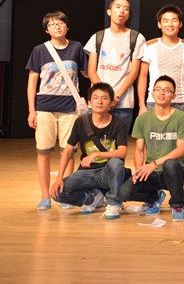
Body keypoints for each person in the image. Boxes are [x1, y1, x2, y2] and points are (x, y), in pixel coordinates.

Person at [26, 10, 89, 210]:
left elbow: (87, 73)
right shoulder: (39, 50)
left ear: (67, 27)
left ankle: (65, 195)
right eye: (52, 24)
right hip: (44, 107)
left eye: (61, 23)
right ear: (47, 30)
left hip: (70, 108)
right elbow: (32, 82)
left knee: (67, 152)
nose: (57, 26)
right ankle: (45, 196)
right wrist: (32, 110)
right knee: (43, 151)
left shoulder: (77, 47)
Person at [50, 82, 128, 220]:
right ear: (89, 102)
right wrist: (59, 178)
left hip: (106, 172)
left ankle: (114, 202)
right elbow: (67, 150)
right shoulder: (81, 122)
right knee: (57, 193)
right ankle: (91, 198)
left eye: (104, 98)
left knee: (116, 163)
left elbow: (122, 152)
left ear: (111, 103)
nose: (99, 101)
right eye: (95, 98)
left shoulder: (118, 123)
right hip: (86, 172)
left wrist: (96, 154)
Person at [120, 75, 184, 221]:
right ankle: (154, 196)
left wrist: (154, 163)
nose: (162, 93)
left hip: (174, 172)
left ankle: (177, 204)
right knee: (124, 192)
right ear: (152, 93)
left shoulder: (181, 117)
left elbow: (181, 149)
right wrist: (139, 171)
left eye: (167, 90)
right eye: (158, 89)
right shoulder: (142, 119)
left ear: (174, 95)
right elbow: (139, 150)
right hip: (152, 172)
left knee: (170, 164)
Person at [85, 0, 146, 133]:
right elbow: (91, 71)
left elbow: (134, 72)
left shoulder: (136, 38)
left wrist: (115, 96)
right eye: (118, 7)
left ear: (128, 14)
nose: (121, 11)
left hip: (123, 103)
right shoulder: (98, 37)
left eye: (126, 9)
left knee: (119, 143)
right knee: (93, 142)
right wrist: (105, 96)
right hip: (97, 102)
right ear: (109, 11)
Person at [137, 4, 184, 119]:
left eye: (174, 20)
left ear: (180, 24)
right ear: (159, 24)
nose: (170, 24)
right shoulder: (149, 46)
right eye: (165, 20)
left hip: (181, 103)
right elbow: (143, 76)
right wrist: (142, 105)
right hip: (154, 102)